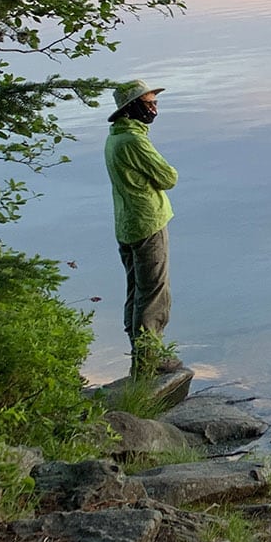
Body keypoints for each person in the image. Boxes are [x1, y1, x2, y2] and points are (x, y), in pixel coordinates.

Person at [104, 79, 181, 374]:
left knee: (136, 290)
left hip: (126, 224)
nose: (154, 109)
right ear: (132, 107)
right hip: (148, 222)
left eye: (155, 103)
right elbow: (168, 177)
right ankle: (150, 358)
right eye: (149, 104)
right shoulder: (134, 141)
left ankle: (141, 354)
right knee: (154, 292)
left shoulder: (115, 138)